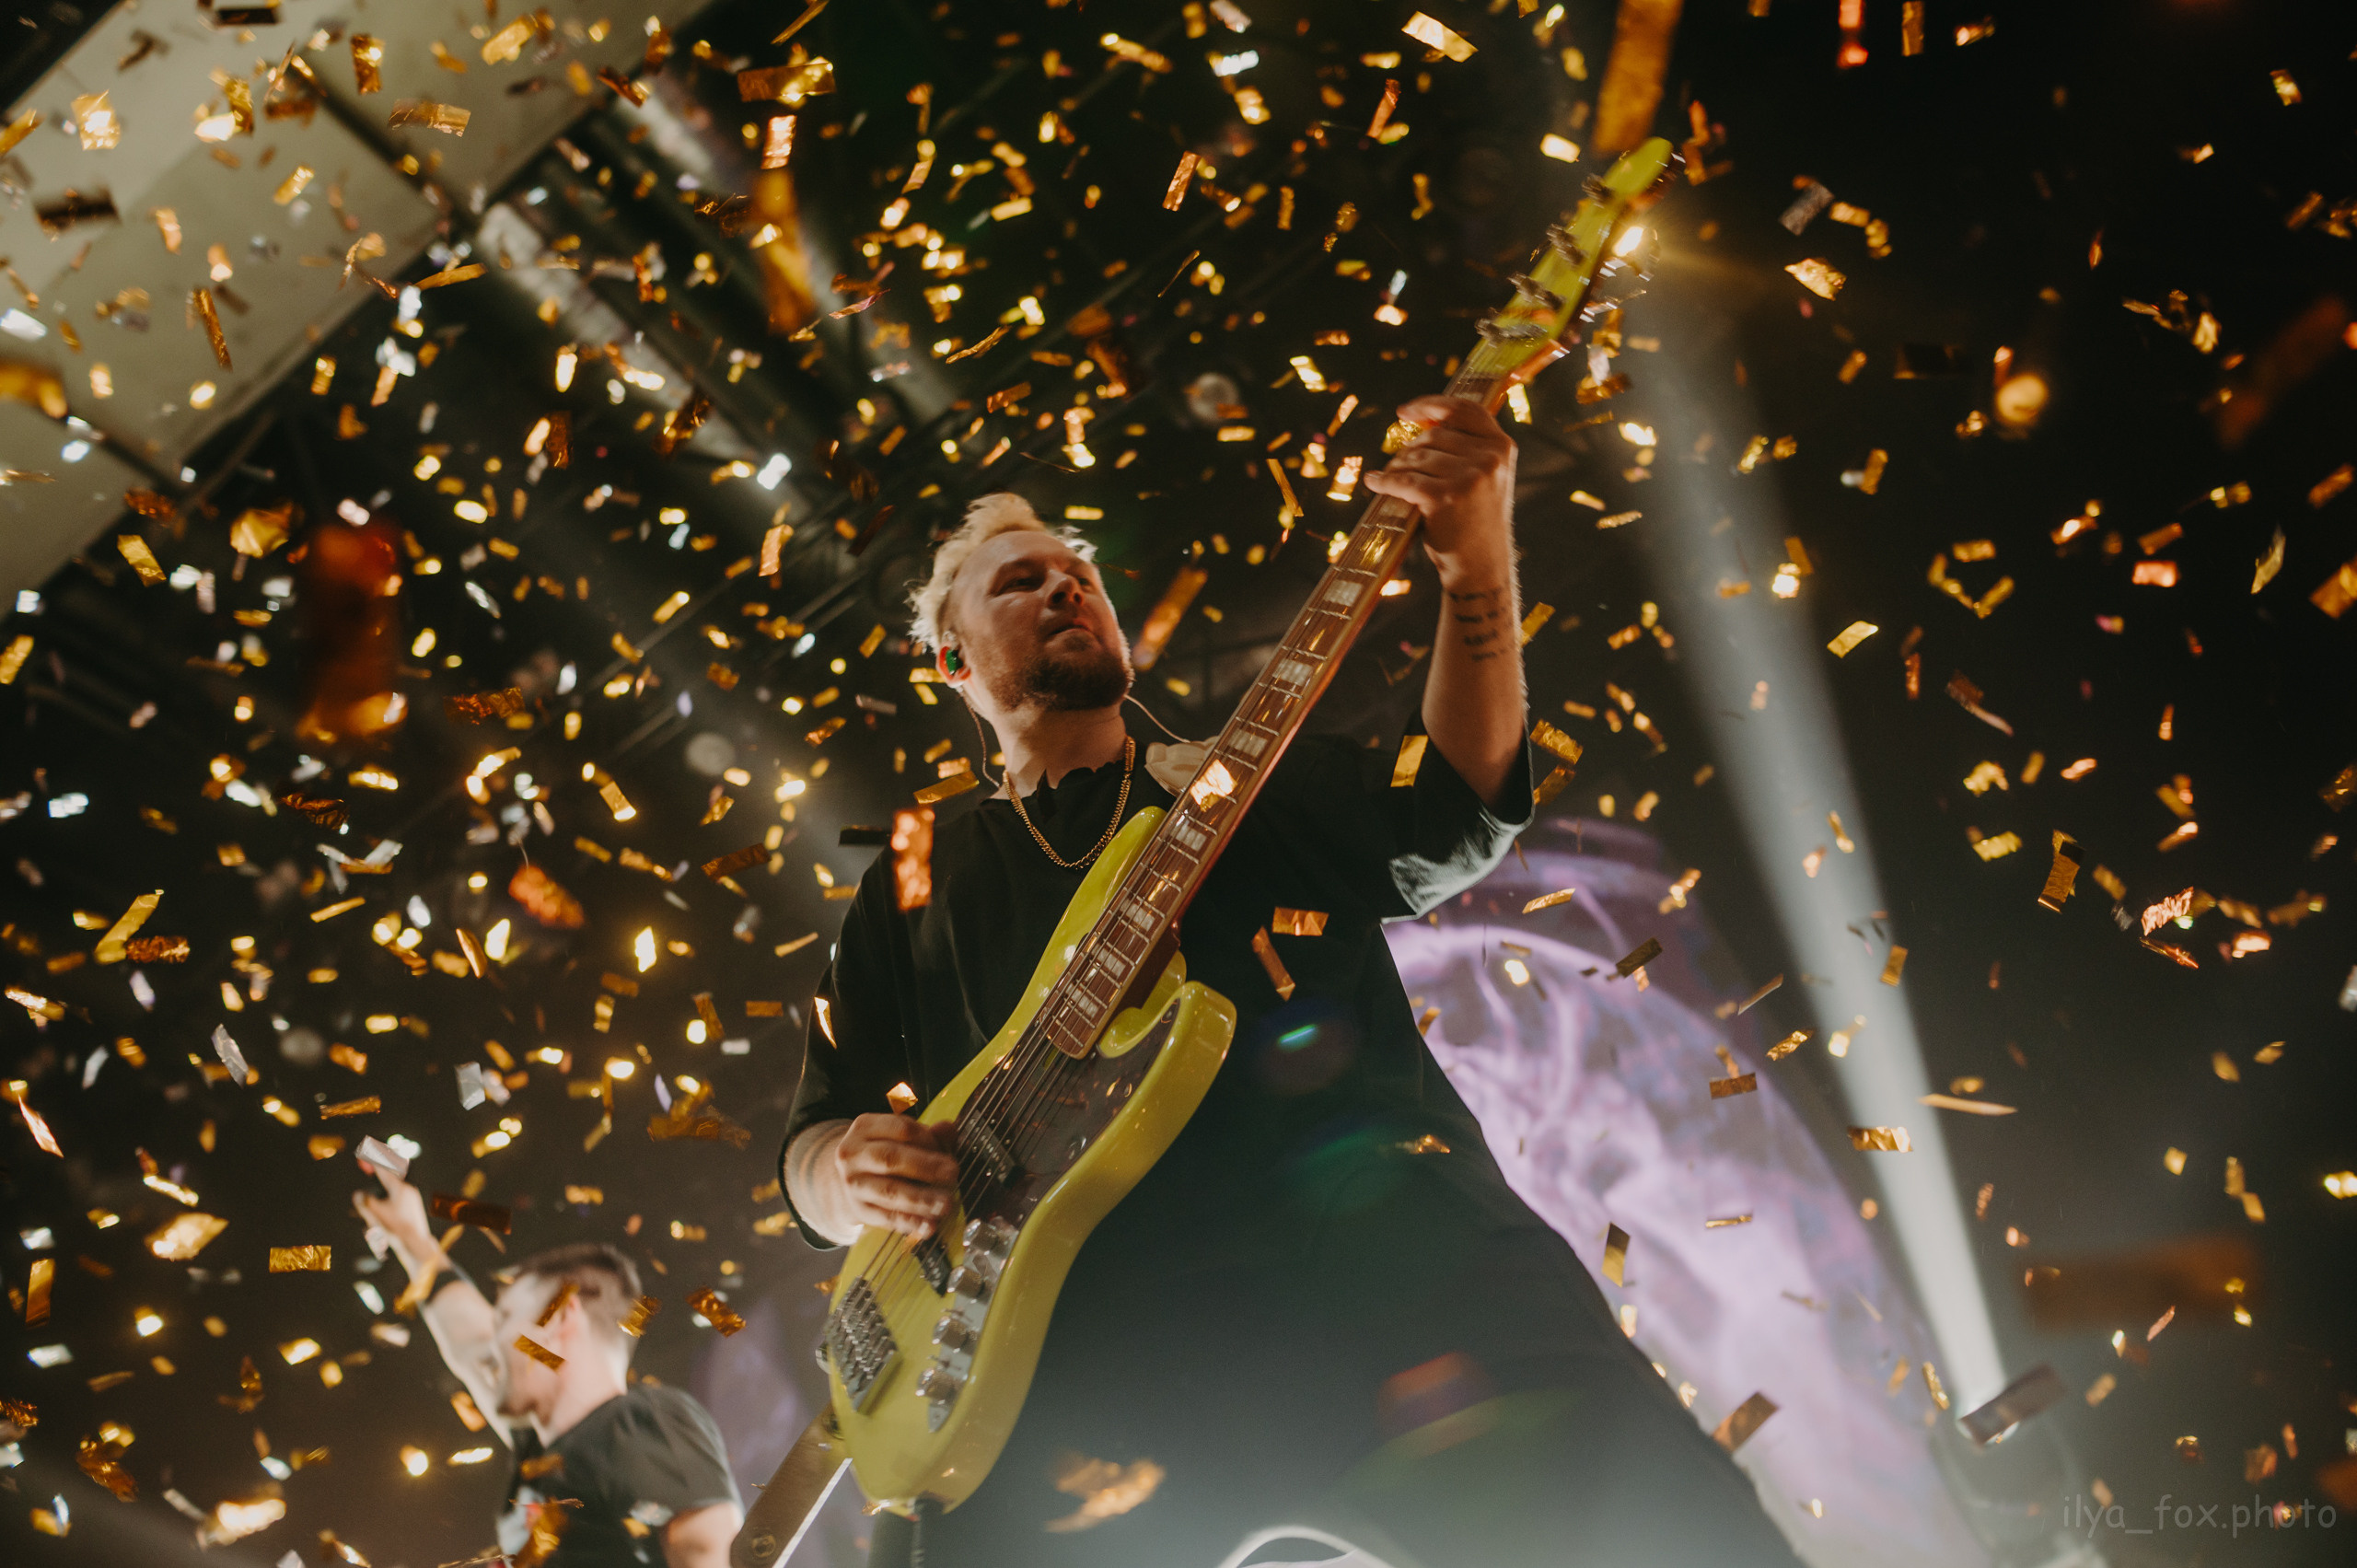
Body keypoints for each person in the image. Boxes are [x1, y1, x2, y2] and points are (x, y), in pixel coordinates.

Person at [780, 397, 1807, 1567]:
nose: (1067, 587)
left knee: (1629, 1509)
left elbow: (1459, 804)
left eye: (1080, 574)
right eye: (1019, 582)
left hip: (1377, 1259)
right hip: (1070, 1350)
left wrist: (1474, 562)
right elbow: (815, 1143)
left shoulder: (1235, 784)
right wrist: (845, 1173)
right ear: (954, 663)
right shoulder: (912, 879)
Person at [354, 1167, 743, 1568]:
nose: (494, 1339)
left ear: (559, 1316)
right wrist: (411, 1237)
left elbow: (709, 1555)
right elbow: (468, 1342)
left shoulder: (637, 1425)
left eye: (504, 1319)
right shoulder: (545, 1458)